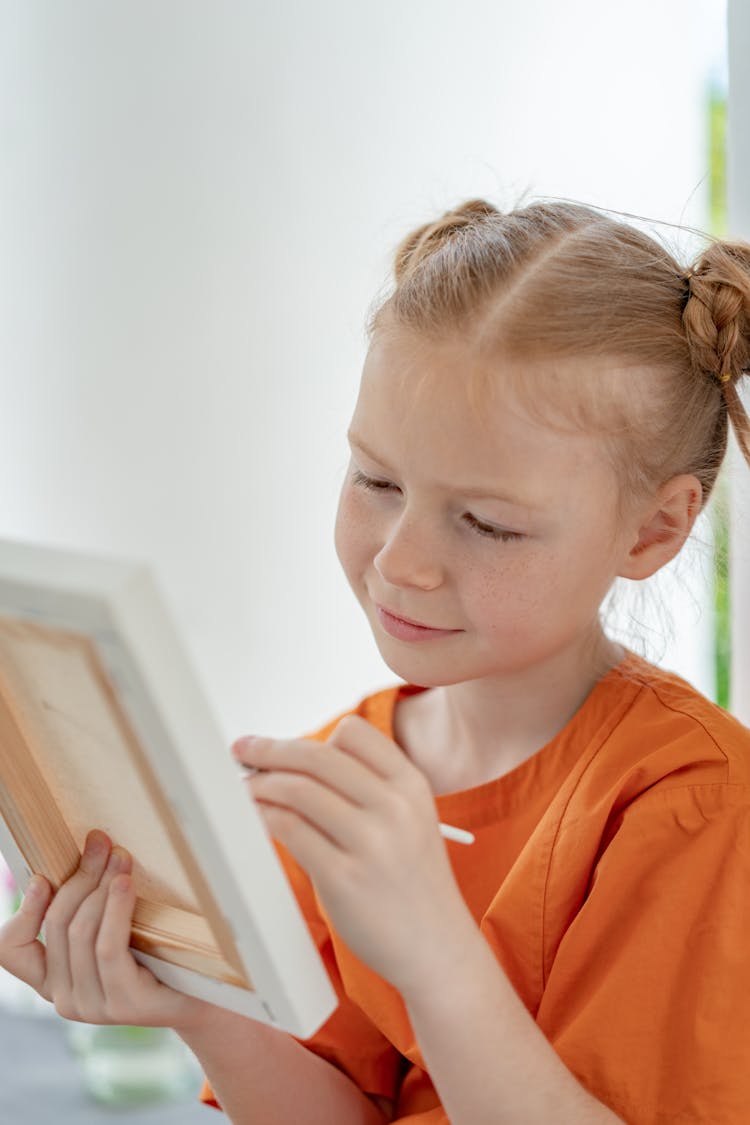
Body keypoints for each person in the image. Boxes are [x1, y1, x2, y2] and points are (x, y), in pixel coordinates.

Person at [2, 199, 750, 1124]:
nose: (400, 561)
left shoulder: (691, 797)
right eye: (375, 480)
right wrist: (198, 1001)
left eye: (487, 522)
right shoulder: (352, 773)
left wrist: (437, 956)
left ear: (657, 526)